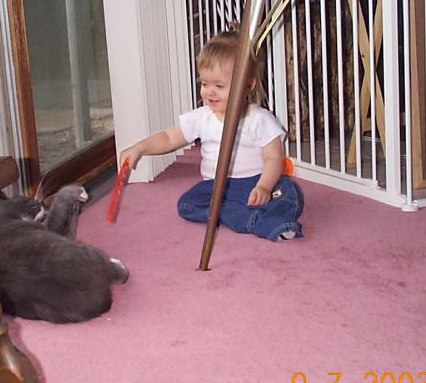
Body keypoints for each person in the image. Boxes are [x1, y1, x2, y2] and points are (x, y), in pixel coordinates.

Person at [119, 30, 303, 241]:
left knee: (288, 193)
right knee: (187, 204)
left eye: (219, 86)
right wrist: (139, 148)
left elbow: (273, 158)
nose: (209, 92)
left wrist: (264, 186)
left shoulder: (259, 119)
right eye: (204, 84)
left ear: (248, 85)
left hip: (256, 181)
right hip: (217, 186)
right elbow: (169, 138)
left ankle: (251, 216)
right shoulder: (202, 117)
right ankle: (248, 218)